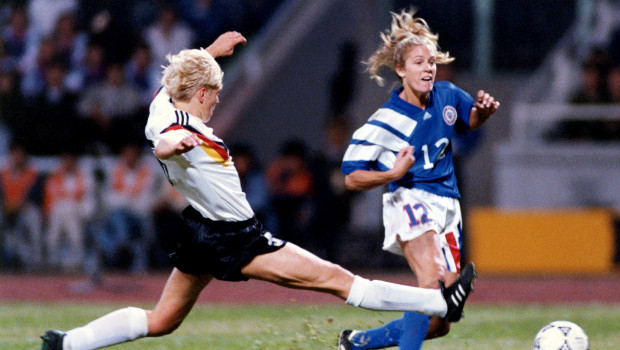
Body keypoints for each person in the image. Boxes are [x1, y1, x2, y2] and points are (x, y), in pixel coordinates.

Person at [41, 31, 476, 350]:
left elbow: (172, 89)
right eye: (216, 93)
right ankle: (437, 299)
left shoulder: (162, 106)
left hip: (199, 231)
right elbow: (166, 143)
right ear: (202, 93)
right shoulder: (178, 129)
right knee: (341, 281)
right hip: (237, 238)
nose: (218, 101)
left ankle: (67, 343)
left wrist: (211, 51)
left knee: (162, 321)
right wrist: (173, 145)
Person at [338, 9, 497, 350]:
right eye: (418, 63)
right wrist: (391, 174)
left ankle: (359, 343)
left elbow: (468, 121)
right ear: (400, 69)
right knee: (432, 282)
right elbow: (350, 178)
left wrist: (481, 113)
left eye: (431, 62)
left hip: (447, 206)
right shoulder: (384, 122)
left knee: (440, 321)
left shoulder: (448, 95)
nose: (427, 69)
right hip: (410, 198)